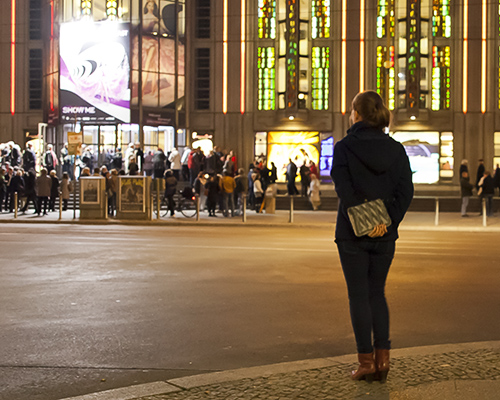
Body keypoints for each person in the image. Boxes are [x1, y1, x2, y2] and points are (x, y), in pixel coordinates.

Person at [330, 91, 413, 382]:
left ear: (357, 114)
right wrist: (385, 221)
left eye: (352, 110)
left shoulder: (344, 148)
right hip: (385, 235)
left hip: (352, 233)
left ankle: (365, 362)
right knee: (377, 293)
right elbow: (405, 192)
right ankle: (383, 360)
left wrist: (365, 221)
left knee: (358, 295)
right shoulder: (397, 149)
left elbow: (345, 189)